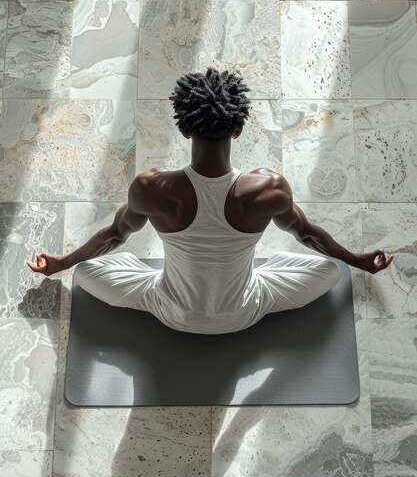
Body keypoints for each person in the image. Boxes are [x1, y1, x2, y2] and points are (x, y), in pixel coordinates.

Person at [26, 67, 394, 334]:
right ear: (238, 128)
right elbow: (308, 235)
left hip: (172, 312)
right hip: (243, 313)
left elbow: (114, 236)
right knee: (329, 271)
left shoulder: (151, 188)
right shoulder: (270, 189)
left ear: (184, 129)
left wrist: (62, 263)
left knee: (88, 271)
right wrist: (355, 260)